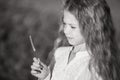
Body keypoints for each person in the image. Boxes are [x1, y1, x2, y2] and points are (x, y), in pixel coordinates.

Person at [31, 0, 120, 80]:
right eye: (64, 23)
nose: (65, 30)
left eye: (72, 27)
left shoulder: (96, 65)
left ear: (92, 28)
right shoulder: (60, 53)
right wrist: (45, 76)